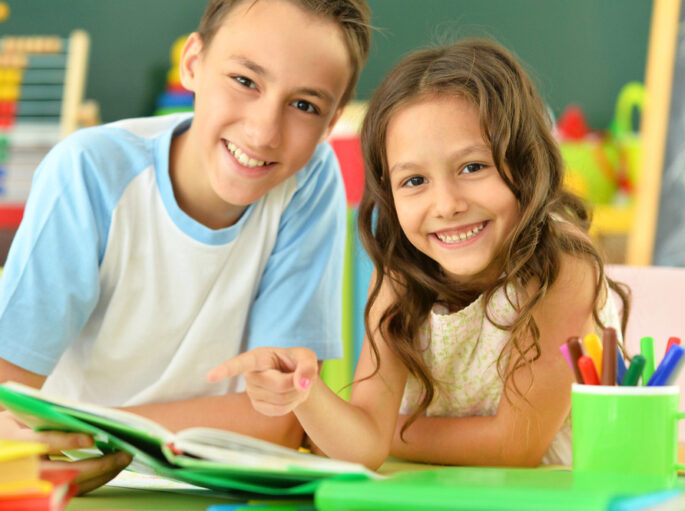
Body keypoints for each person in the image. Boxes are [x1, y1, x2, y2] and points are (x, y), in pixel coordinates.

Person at [0, 0, 372, 493]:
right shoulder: (87, 174)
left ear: (333, 120)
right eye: (245, 81)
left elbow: (277, 416)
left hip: (212, 491)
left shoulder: (309, 181)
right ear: (193, 63)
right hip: (79, 485)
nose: (263, 131)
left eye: (304, 106)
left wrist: (95, 430)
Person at [207, 38, 631, 470]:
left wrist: (381, 433)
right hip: (439, 492)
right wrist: (305, 392)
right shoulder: (400, 273)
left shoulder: (561, 265)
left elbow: (514, 447)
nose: (446, 205)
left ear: (526, 162)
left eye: (472, 167)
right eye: (414, 181)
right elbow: (363, 445)